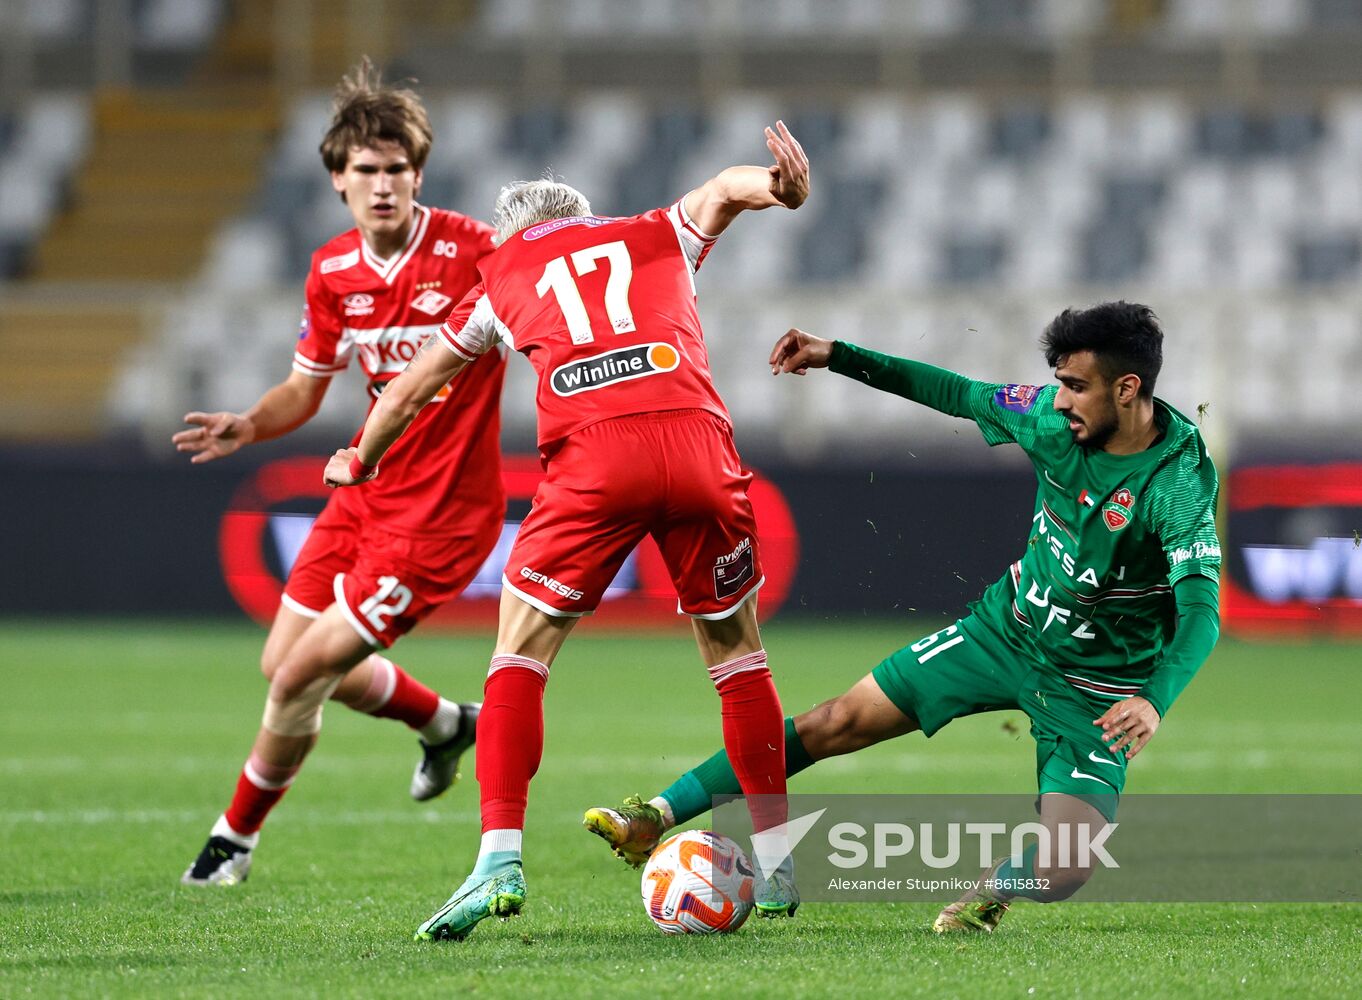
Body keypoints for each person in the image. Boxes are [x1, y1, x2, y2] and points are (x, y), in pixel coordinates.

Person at [585, 302, 1222, 933]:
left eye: (1076, 387)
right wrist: (837, 355)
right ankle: (657, 816)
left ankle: (991, 891)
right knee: (834, 720)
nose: (1059, 401)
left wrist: (1154, 702)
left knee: (1067, 866)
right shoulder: (1051, 421)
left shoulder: (1177, 483)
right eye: (1058, 383)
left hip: (1098, 690)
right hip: (1004, 636)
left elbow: (1201, 612)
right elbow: (953, 391)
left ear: (1128, 388)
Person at [324, 121, 811, 940]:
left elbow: (410, 390)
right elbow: (729, 189)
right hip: (699, 444)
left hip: (596, 461)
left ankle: (497, 859)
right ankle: (777, 860)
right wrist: (782, 189)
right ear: (584, 217)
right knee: (737, 653)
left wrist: (357, 457)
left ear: (516, 232)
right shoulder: (656, 228)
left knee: (521, 653)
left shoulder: (497, 273)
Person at [176, 59, 506, 886]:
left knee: (297, 676)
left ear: (418, 173)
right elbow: (304, 387)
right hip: (364, 495)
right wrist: (251, 423)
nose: (384, 184)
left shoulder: (475, 252)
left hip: (442, 519)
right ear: (337, 180)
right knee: (282, 664)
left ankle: (232, 844)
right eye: (367, 170)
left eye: (398, 169)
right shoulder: (333, 271)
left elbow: (555, 305)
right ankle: (443, 723)